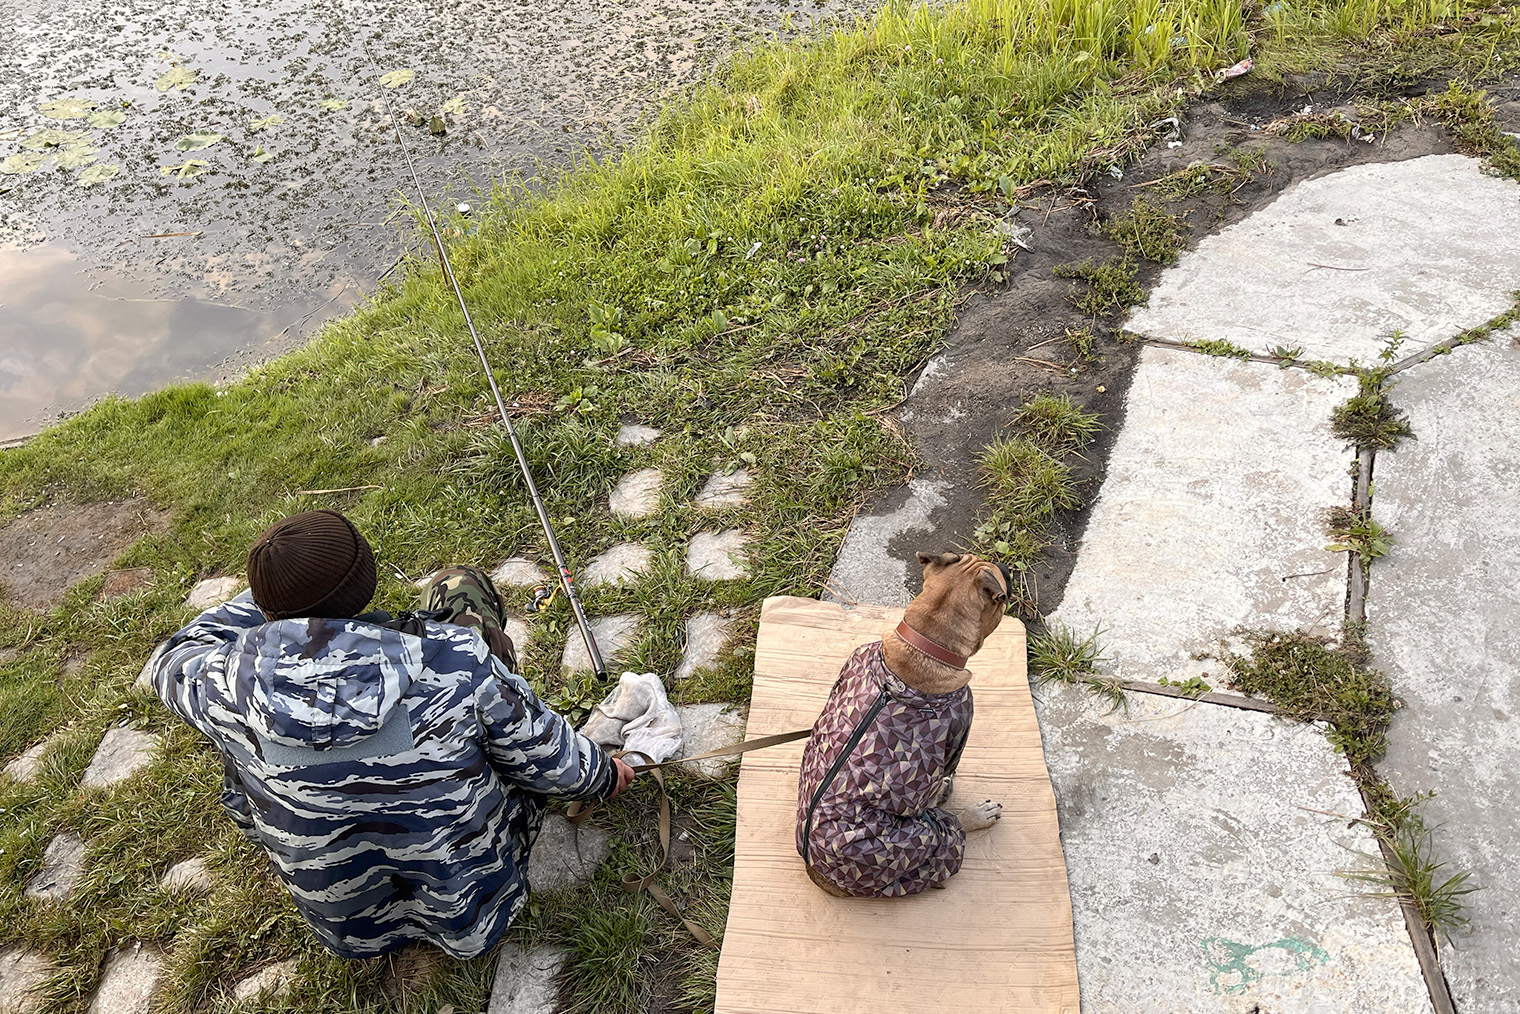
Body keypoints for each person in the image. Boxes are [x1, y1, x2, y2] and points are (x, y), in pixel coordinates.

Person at [148, 509, 634, 959]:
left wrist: (280, 596)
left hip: (350, 927)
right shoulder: (453, 659)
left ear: (266, 608)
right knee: (459, 587)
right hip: (471, 910)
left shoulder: (216, 684)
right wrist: (605, 775)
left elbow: (169, 658)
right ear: (366, 581)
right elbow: (548, 757)